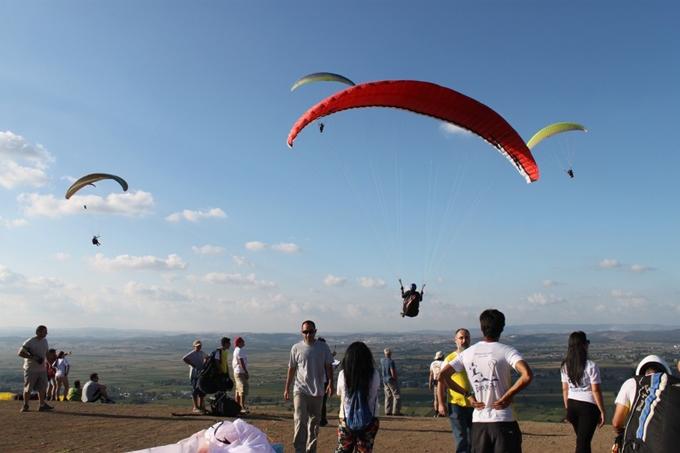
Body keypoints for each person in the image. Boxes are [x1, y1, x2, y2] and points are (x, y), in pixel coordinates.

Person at [438, 309, 533, 453]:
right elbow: (527, 375)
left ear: (482, 328)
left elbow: (442, 375)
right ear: (502, 328)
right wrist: (508, 395)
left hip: (479, 422)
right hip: (504, 420)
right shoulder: (507, 351)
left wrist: (467, 395)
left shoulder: (467, 353)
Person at [283, 320, 334, 453]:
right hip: (300, 390)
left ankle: (311, 450)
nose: (308, 334)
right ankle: (299, 450)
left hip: (318, 390)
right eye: (305, 332)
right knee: (300, 421)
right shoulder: (296, 348)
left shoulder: (323, 347)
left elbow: (329, 366)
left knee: (314, 424)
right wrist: (287, 388)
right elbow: (292, 369)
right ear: (301, 333)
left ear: (315, 332)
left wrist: (330, 383)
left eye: (311, 331)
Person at [611, 355, 671, 453]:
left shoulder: (630, 384)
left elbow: (616, 423)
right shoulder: (672, 388)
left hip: (638, 445)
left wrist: (623, 433)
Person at [560, 331, 605, 453]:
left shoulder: (565, 365)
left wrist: (567, 407)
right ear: (584, 345)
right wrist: (602, 410)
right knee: (583, 443)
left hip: (572, 404)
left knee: (582, 441)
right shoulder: (591, 365)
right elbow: (595, 390)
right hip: (588, 406)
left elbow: (565, 389)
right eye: (587, 343)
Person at [335, 342, 381, 453]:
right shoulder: (374, 374)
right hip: (370, 418)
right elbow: (374, 392)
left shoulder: (343, 374)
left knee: (343, 449)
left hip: (345, 418)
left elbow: (339, 393)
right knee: (365, 449)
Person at [439, 328, 474, 453]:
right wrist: (441, 403)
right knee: (461, 438)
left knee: (473, 438)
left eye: (467, 338)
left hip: (474, 404)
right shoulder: (450, 359)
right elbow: (441, 381)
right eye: (461, 338)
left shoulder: (473, 357)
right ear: (456, 340)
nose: (464, 341)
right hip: (456, 404)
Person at [17, 325, 52, 412]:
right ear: (38, 332)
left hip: (42, 369)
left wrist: (50, 364)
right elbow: (20, 353)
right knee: (28, 388)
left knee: (42, 388)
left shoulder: (45, 341)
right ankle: (25, 405)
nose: (46, 334)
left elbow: (46, 353)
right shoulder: (30, 341)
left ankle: (42, 405)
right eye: (44, 332)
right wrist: (33, 357)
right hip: (30, 369)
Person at [183, 339, 207, 413]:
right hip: (194, 374)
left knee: (201, 390)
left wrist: (204, 363)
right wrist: (193, 365)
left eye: (199, 346)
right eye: (197, 346)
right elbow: (184, 358)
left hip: (200, 374)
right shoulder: (192, 353)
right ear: (194, 346)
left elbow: (207, 357)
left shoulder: (202, 353)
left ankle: (200, 406)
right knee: (195, 390)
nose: (199, 347)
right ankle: (195, 407)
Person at [380, 348, 402, 416]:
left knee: (388, 395)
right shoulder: (391, 361)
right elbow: (392, 371)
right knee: (396, 395)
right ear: (391, 354)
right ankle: (396, 412)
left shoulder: (382, 360)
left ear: (385, 353)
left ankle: (387, 411)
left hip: (384, 380)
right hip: (391, 379)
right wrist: (395, 378)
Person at [233, 336, 249, 414]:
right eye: (243, 342)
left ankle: (237, 406)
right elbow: (241, 361)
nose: (244, 343)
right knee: (243, 388)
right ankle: (242, 406)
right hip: (240, 372)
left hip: (237, 371)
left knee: (238, 389)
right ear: (239, 343)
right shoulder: (239, 350)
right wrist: (245, 371)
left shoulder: (236, 350)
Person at [429, 351, 445, 415]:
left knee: (436, 398)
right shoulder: (444, 363)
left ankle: (436, 412)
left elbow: (431, 375)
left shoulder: (432, 364)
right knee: (443, 397)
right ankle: (442, 412)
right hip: (443, 382)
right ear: (442, 357)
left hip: (435, 382)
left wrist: (430, 383)